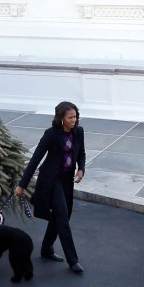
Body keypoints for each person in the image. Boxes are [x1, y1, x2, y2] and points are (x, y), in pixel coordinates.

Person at [14, 101, 86, 273]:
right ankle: (73, 260)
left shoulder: (78, 132)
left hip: (67, 180)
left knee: (62, 216)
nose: (74, 120)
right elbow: (35, 159)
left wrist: (81, 169)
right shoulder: (51, 135)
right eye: (70, 117)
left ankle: (46, 248)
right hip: (51, 180)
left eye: (75, 117)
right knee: (62, 216)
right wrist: (22, 185)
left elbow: (81, 153)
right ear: (61, 118)